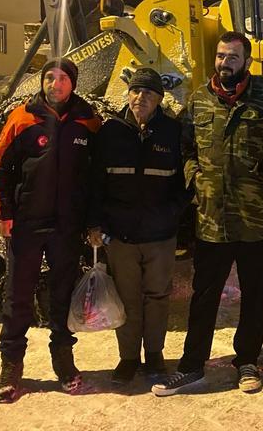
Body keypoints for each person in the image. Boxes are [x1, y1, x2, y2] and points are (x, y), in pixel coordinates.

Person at [151, 31, 263, 396]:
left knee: (253, 293)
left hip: (258, 216)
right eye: (220, 56)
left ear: (246, 60)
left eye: (232, 56)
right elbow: (185, 149)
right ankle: (191, 365)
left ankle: (247, 361)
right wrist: (195, 179)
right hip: (213, 218)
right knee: (205, 295)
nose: (224, 62)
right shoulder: (200, 99)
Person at [0, 58, 101, 403]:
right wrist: (2, 212)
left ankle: (63, 361)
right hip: (27, 224)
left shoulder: (88, 122)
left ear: (73, 84)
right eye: (49, 78)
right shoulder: (23, 118)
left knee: (62, 296)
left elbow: (97, 177)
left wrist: (94, 221)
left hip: (67, 226)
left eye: (63, 78)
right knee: (18, 296)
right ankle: (11, 365)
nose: (55, 84)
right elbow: (0, 166)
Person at [88, 67, 189, 385]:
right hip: (122, 236)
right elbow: (94, 184)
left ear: (159, 98)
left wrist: (173, 215)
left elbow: (185, 183)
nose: (140, 97)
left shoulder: (172, 133)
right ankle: (128, 357)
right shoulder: (110, 132)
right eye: (135, 91)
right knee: (127, 297)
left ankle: (155, 355)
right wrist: (95, 223)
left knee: (158, 297)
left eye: (147, 92)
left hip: (160, 235)